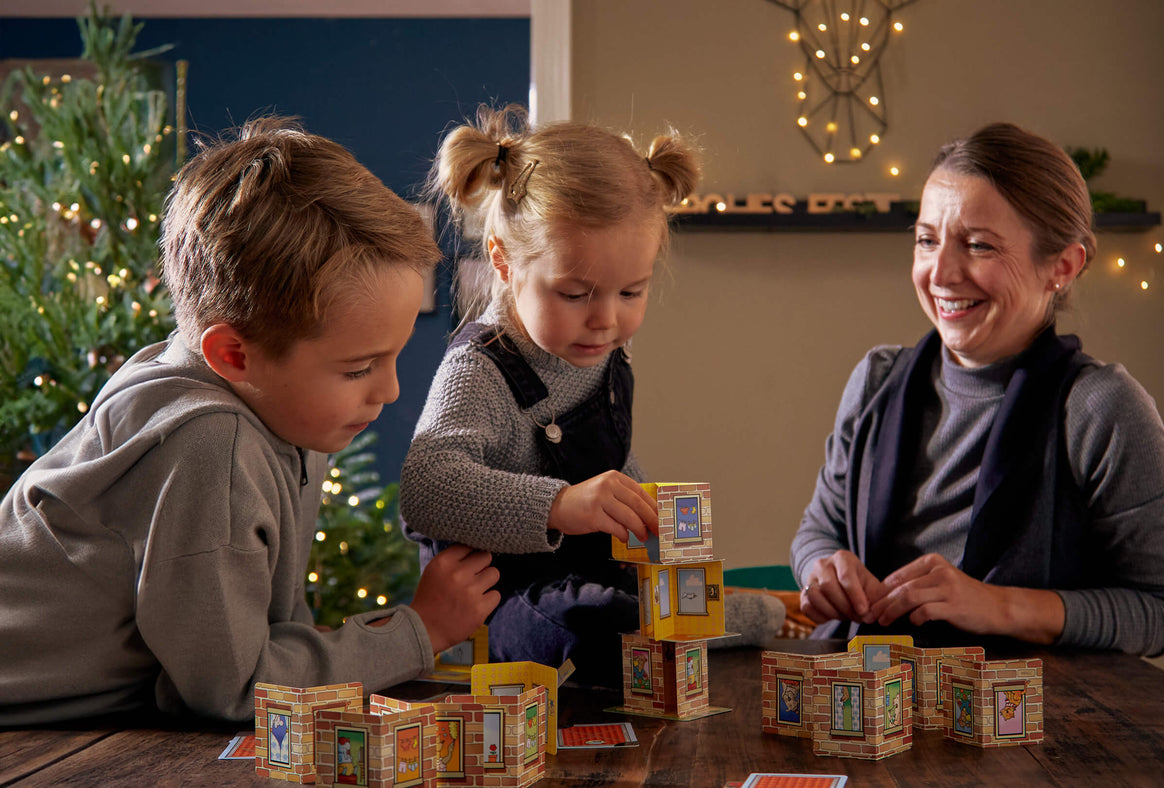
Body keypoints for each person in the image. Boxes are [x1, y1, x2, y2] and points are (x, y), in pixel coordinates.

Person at [0, 118, 501, 725]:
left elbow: (262, 632)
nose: (390, 391)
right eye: (358, 369)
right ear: (233, 355)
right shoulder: (210, 443)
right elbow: (236, 690)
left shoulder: (273, 411)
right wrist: (420, 628)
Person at [790, 123, 1164, 658]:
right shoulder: (876, 379)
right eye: (926, 240)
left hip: (1022, 724)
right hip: (869, 707)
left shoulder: (1101, 409)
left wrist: (998, 606)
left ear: (1062, 266)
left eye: (978, 245)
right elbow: (818, 530)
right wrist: (823, 566)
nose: (940, 272)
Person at [400, 104, 700, 687]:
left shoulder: (605, 353)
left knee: (664, 618)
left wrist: (639, 504)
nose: (606, 321)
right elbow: (424, 489)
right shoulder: (480, 371)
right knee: (598, 616)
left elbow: (609, 463)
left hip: (593, 582)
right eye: (574, 294)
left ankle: (752, 614)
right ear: (504, 262)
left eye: (631, 292)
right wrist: (562, 505)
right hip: (504, 615)